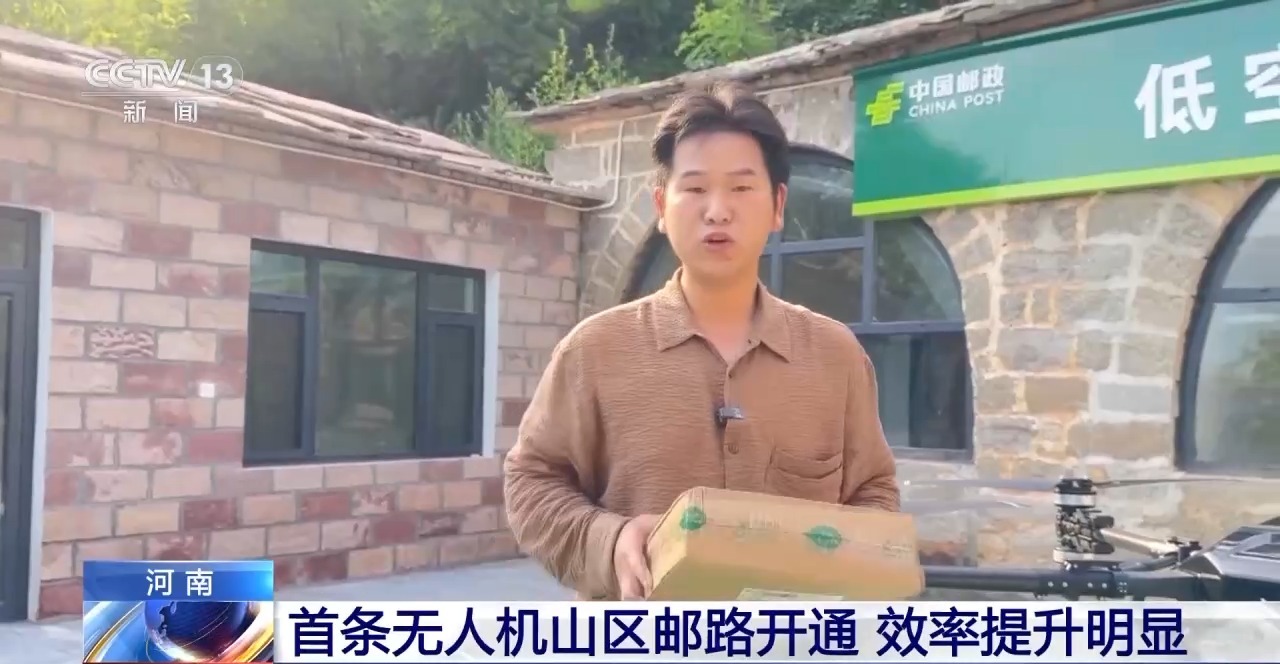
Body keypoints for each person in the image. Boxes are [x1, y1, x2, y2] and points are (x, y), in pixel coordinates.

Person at [502, 81, 899, 602]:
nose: (717, 210)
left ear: (777, 205)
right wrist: (608, 540)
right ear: (661, 206)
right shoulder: (593, 351)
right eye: (694, 189)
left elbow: (873, 490)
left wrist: (846, 570)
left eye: (741, 188)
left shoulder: (835, 356)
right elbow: (531, 480)